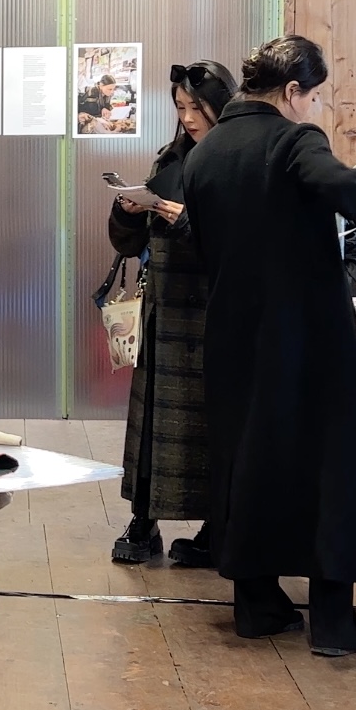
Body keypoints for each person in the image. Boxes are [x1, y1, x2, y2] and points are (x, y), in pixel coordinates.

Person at [181, 36, 356, 656]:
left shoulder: (205, 152)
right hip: (307, 337)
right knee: (335, 465)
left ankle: (259, 605)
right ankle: (333, 621)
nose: (313, 106)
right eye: (312, 94)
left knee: (249, 462)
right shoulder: (294, 140)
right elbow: (346, 189)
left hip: (232, 336)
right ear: (292, 92)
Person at [106, 59, 236, 566]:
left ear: (221, 105)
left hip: (211, 313)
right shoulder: (171, 159)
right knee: (152, 426)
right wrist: (129, 210)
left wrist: (188, 223)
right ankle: (144, 521)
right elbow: (126, 242)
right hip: (164, 313)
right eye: (180, 108)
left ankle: (213, 527)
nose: (187, 118)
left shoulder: (234, 161)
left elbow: (240, 245)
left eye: (196, 107)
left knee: (208, 426)